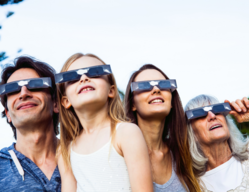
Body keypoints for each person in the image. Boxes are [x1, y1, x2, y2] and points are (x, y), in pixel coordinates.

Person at [56, 53, 153, 192]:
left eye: (95, 72)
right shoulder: (65, 151)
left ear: (111, 90)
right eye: (72, 77)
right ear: (66, 101)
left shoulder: (126, 133)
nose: (84, 78)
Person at [124, 64, 201, 192]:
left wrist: (244, 118)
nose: (156, 89)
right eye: (144, 86)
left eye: (164, 84)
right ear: (133, 104)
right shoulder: (121, 155)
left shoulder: (183, 152)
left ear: (171, 101)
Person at [0, 56, 61, 191]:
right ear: (8, 113)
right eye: (12, 89)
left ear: (56, 103)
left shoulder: (84, 156)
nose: (24, 93)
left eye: (34, 84)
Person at [185, 94, 249, 191]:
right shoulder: (188, 185)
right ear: (191, 133)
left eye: (217, 110)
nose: (212, 116)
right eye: (201, 114)